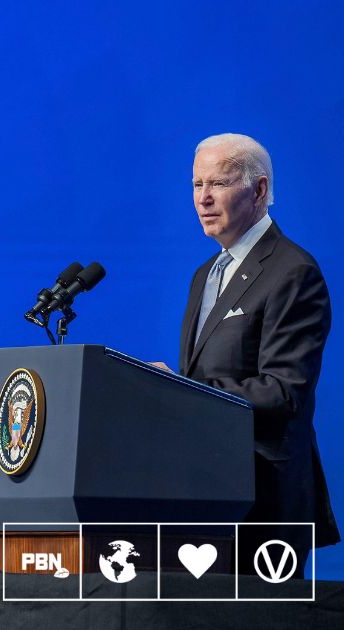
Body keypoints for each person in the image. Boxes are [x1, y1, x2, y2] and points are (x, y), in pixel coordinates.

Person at [177, 132, 338, 577]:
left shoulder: (293, 272)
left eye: (219, 184)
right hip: (204, 494)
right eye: (196, 185)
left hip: (263, 504)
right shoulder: (204, 275)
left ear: (260, 190)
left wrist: (178, 390)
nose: (204, 199)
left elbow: (283, 392)